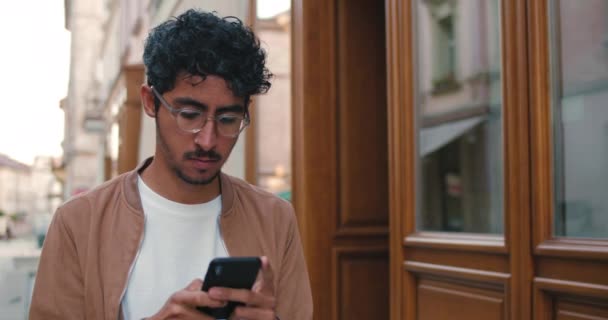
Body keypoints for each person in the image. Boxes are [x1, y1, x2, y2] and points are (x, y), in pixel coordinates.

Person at [29, 9, 312, 320]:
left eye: (228, 119)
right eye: (189, 115)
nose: (207, 139)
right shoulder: (79, 223)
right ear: (151, 102)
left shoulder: (275, 219)